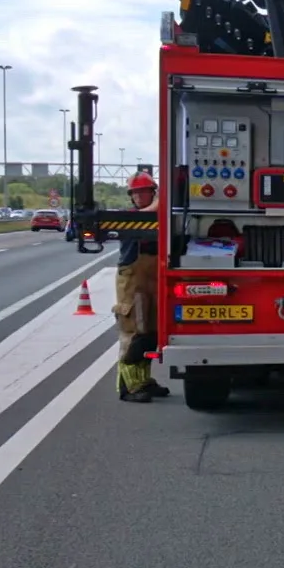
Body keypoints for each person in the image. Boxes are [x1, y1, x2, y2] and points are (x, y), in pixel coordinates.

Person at [115, 169, 169, 403]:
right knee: (133, 330)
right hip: (132, 281)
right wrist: (161, 201)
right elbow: (151, 213)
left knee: (150, 330)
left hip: (151, 279)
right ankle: (129, 387)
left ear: (151, 192)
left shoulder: (158, 215)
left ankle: (144, 380)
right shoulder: (129, 216)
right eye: (135, 193)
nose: (138, 197)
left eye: (143, 192)